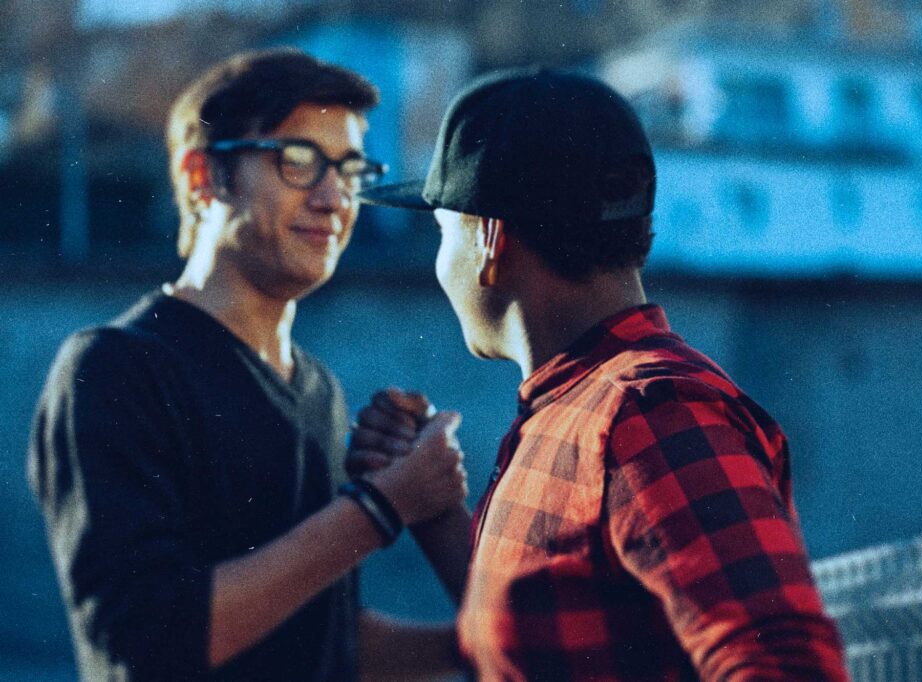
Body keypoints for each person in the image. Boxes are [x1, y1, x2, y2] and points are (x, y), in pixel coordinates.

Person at [356, 68, 850, 680]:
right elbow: (547, 642)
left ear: (488, 238)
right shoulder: (580, 408)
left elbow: (785, 665)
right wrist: (433, 514)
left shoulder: (648, 414)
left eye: (440, 230)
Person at [27, 49, 468, 681]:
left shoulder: (317, 388)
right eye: (297, 161)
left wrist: (488, 644)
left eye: (348, 169)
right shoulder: (114, 369)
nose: (332, 197)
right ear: (204, 175)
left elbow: (323, 643)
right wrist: (379, 508)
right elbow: (151, 640)